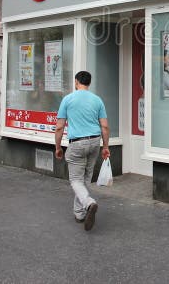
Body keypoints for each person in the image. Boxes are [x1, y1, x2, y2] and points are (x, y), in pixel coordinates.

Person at [54, 71, 110, 231]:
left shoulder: (68, 99)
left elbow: (59, 127)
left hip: (77, 144)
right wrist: (105, 147)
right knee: (85, 177)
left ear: (76, 81)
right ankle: (79, 213)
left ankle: (89, 203)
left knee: (76, 180)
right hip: (94, 142)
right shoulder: (97, 100)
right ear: (89, 83)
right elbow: (105, 126)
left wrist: (58, 147)